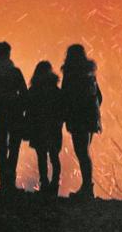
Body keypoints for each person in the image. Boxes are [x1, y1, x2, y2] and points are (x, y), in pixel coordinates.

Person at [0, 41, 27, 193]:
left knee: (2, 148)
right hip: (15, 115)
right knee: (14, 148)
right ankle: (10, 182)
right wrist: (21, 108)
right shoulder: (15, 72)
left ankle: (4, 183)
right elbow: (24, 93)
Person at [61, 44, 102, 199]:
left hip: (77, 119)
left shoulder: (70, 74)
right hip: (90, 120)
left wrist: (66, 115)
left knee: (81, 152)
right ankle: (87, 187)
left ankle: (87, 188)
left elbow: (65, 96)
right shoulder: (90, 75)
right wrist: (93, 114)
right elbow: (99, 97)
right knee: (85, 152)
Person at [25, 60, 64, 196]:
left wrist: (27, 127)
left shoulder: (33, 90)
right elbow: (62, 109)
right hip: (54, 128)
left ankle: (44, 184)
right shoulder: (56, 90)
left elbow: (28, 110)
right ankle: (55, 184)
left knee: (41, 157)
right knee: (54, 156)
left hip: (38, 128)